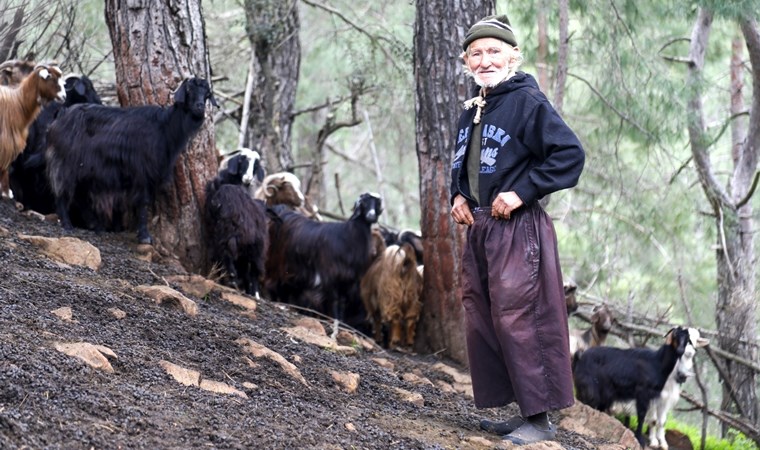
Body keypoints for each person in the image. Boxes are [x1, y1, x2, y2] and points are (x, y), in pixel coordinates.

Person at [449, 13, 585, 445]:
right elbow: (465, 166)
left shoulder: (528, 101)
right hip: (483, 228)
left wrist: (522, 191)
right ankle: (524, 411)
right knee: (485, 318)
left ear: (513, 55)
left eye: (494, 52)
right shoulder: (475, 104)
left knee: (522, 319)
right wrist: (457, 196)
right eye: (477, 53)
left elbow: (569, 155)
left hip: (517, 228)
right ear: (467, 60)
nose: (486, 60)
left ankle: (541, 421)